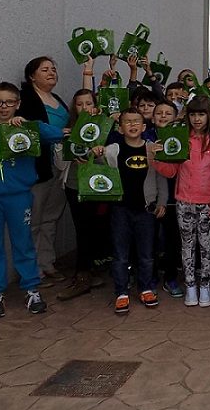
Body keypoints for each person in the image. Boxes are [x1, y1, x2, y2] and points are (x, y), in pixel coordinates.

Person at [0, 82, 63, 318]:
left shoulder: (26, 126)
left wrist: (29, 125)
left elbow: (56, 134)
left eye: (9, 102)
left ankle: (31, 289)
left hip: (18, 196)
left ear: (17, 104)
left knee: (23, 243)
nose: (4, 107)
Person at [153, 96, 210, 308]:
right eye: (193, 114)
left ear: (209, 116)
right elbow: (172, 171)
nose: (197, 119)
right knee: (186, 246)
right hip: (184, 201)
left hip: (208, 203)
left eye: (201, 114)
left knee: (206, 247)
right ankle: (190, 286)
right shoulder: (182, 139)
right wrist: (157, 159)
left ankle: (204, 285)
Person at [96, 109, 168, 314]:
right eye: (127, 122)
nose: (133, 125)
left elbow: (160, 176)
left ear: (144, 127)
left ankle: (145, 288)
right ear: (120, 128)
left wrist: (162, 201)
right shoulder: (113, 150)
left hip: (146, 209)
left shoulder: (152, 149)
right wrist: (97, 153)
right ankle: (121, 291)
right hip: (120, 209)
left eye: (137, 121)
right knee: (120, 254)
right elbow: (99, 167)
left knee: (146, 254)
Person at [18, 56, 69, 285]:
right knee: (35, 218)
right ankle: (32, 269)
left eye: (54, 69)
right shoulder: (26, 98)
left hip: (60, 165)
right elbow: (31, 128)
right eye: (45, 70)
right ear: (32, 76)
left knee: (51, 216)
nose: (51, 73)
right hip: (39, 166)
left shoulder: (56, 98)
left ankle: (47, 263)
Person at [54, 89, 105, 301]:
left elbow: (112, 158)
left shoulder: (103, 128)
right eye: (79, 104)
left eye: (88, 103)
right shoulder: (67, 130)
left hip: (99, 186)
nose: (84, 108)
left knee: (94, 229)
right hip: (75, 185)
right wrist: (70, 154)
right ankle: (82, 275)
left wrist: (99, 151)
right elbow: (59, 163)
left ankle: (89, 271)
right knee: (82, 229)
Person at [148, 100, 183, 298]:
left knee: (172, 242)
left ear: (176, 117)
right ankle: (150, 277)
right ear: (152, 118)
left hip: (174, 198)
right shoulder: (146, 138)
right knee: (149, 241)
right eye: (158, 112)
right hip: (150, 199)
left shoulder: (180, 138)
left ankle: (170, 278)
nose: (162, 116)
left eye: (167, 113)